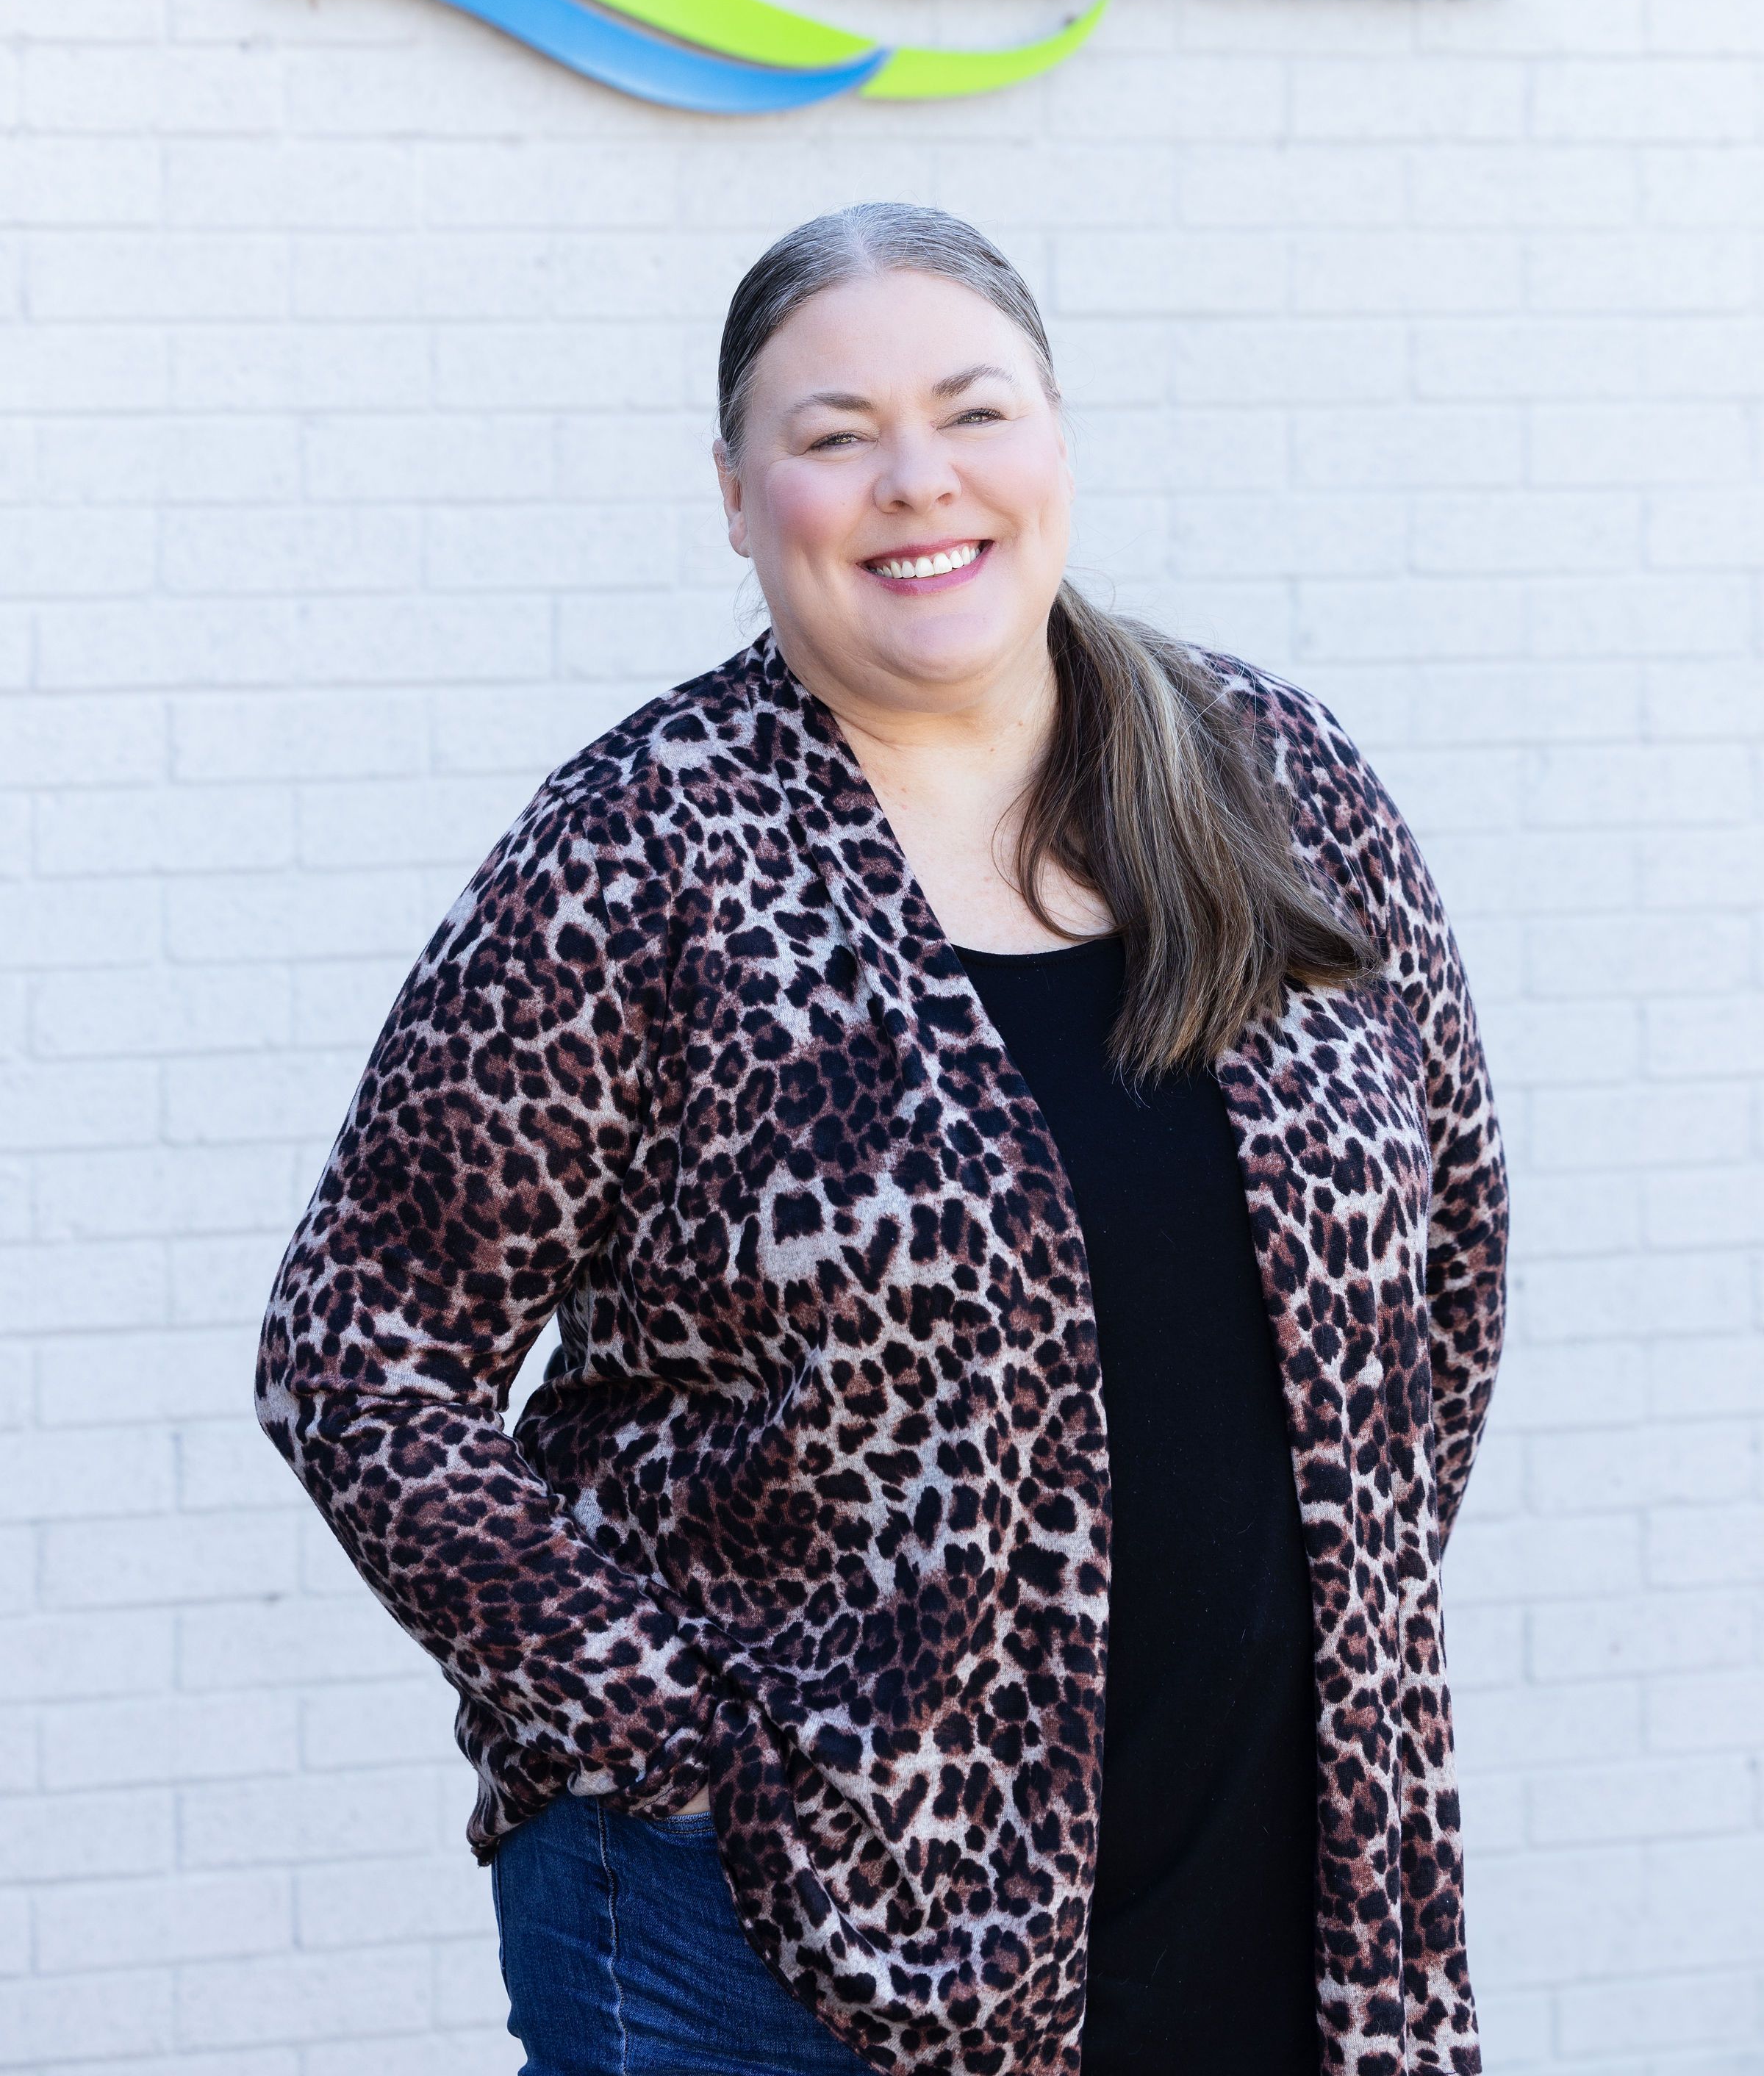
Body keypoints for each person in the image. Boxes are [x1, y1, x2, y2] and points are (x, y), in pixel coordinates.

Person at [257, 202, 1507, 2076]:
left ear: (1055, 436)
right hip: (772, 1939)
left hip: (1266, 1873)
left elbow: (1451, 1244)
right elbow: (358, 1356)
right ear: (737, 495)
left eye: (974, 411)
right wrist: (677, 1744)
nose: (918, 481)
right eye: (834, 434)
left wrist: (1333, 1596)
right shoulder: (640, 855)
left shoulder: (1276, 775)